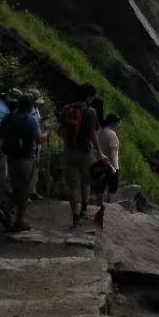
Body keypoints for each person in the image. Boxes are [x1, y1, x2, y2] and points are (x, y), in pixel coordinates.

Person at [0, 94, 49, 232]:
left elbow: (0, 133)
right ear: (30, 107)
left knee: (15, 186)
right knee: (24, 190)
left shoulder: (8, 117)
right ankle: (17, 220)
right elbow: (39, 139)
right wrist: (47, 131)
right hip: (26, 158)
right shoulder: (30, 120)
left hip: (10, 157)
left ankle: (7, 212)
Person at [59, 83, 102, 228]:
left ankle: (75, 218)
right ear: (89, 96)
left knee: (74, 186)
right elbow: (93, 134)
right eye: (93, 96)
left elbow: (62, 130)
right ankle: (84, 209)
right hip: (86, 152)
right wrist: (100, 152)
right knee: (86, 181)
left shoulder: (66, 109)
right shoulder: (90, 111)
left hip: (70, 151)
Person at [90, 113, 121, 227]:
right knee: (112, 190)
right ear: (113, 123)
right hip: (109, 165)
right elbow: (113, 152)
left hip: (96, 163)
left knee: (99, 190)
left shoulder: (98, 132)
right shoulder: (112, 134)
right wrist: (115, 168)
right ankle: (108, 216)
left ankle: (100, 212)